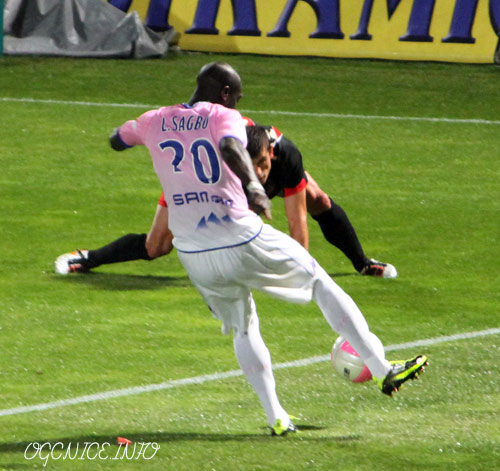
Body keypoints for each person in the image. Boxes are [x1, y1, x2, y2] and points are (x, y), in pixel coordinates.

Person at [67, 61, 427, 435]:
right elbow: (228, 146)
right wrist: (254, 186)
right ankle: (383, 370)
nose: (237, 103)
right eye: (236, 96)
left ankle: (277, 418)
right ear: (225, 94)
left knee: (243, 327)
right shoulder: (224, 116)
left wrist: (132, 136)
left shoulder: (152, 120)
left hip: (193, 254)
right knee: (319, 282)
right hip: (240, 235)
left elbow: (117, 139)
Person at [55, 124, 397, 278]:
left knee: (317, 198)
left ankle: (362, 263)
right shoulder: (219, 160)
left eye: (263, 165)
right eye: (253, 166)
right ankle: (88, 258)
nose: (259, 173)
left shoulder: (286, 155)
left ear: (271, 154)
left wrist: (304, 275)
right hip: (198, 182)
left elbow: (298, 227)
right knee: (156, 246)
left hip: (244, 181)